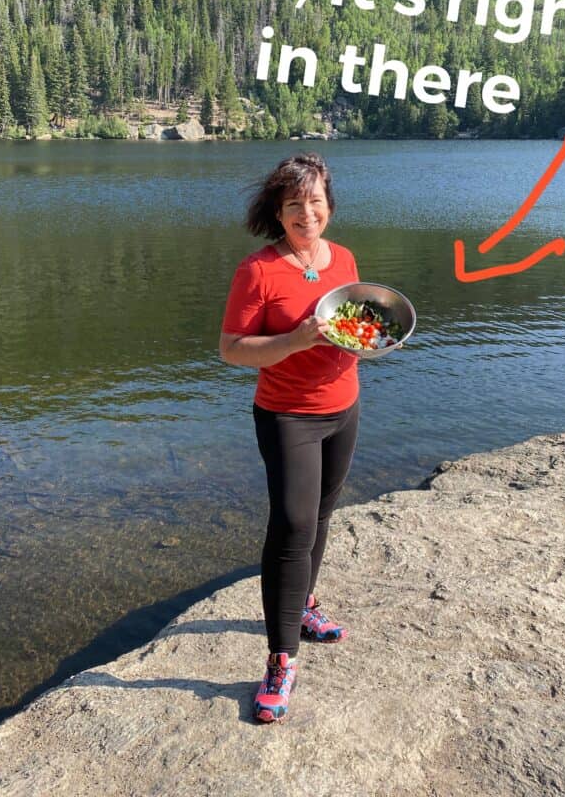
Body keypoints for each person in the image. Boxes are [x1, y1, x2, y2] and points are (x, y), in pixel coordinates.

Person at [219, 152, 360, 723]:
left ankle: (302, 605)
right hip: (287, 416)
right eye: (295, 204)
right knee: (292, 526)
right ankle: (281, 658)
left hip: (343, 407)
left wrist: (362, 340)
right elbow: (231, 348)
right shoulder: (258, 270)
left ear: (329, 205)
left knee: (322, 513)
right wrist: (297, 342)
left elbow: (351, 323)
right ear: (277, 211)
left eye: (316, 202)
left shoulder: (344, 258)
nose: (307, 214)